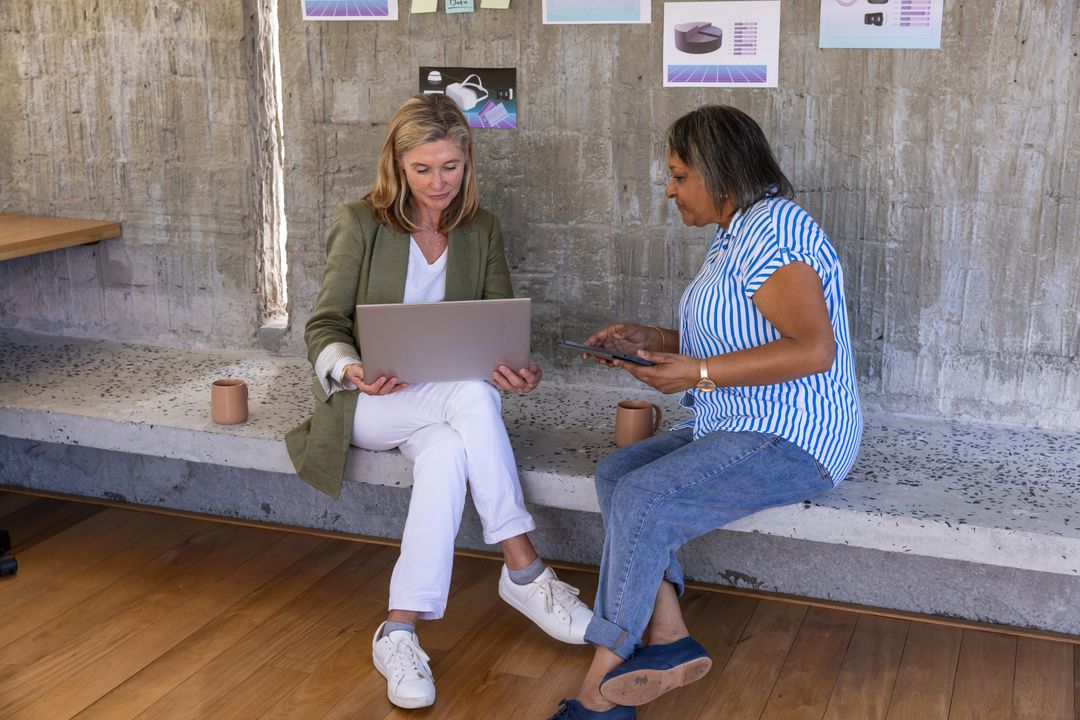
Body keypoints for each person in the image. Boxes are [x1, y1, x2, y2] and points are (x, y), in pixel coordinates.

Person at [547, 105, 863, 719]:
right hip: (732, 421)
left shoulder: (778, 232)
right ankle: (667, 637)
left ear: (719, 173)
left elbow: (813, 348)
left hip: (790, 436)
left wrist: (693, 372)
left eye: (677, 175)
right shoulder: (735, 234)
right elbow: (728, 338)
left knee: (644, 499)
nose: (669, 190)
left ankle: (602, 686)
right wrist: (654, 341)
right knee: (617, 476)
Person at [285, 94, 592, 711]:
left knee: (452, 448)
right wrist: (351, 368)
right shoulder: (360, 222)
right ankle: (524, 568)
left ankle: (398, 630)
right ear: (397, 165)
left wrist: (517, 370)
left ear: (467, 159)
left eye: (449, 166)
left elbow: (498, 331)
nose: (438, 182)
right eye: (422, 169)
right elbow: (322, 327)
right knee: (471, 395)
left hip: (450, 409)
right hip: (373, 404)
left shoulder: (482, 230)